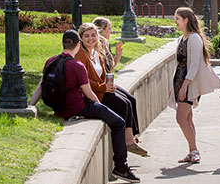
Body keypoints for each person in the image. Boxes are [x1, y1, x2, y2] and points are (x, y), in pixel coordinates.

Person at [28, 30, 140, 183]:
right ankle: (120, 166)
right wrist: (101, 108)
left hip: (59, 108)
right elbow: (89, 93)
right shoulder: (77, 65)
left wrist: (31, 106)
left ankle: (121, 166)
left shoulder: (51, 61)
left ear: (63, 43)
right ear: (78, 44)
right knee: (119, 122)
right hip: (77, 108)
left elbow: (41, 86)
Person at [75, 23, 147, 156]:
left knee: (129, 100)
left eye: (93, 35)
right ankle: (128, 142)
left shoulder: (96, 52)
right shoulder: (80, 54)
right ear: (81, 38)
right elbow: (83, 81)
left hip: (102, 88)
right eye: (86, 36)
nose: (90, 38)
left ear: (98, 36)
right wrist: (103, 87)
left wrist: (108, 85)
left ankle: (130, 138)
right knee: (122, 104)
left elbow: (104, 73)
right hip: (93, 93)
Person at [172, 7, 220, 164]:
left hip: (188, 83)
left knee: (180, 118)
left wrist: (185, 85)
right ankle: (192, 151)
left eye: (177, 19)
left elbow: (194, 65)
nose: (175, 22)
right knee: (187, 118)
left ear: (186, 20)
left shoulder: (194, 38)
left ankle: (194, 151)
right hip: (179, 81)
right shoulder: (182, 38)